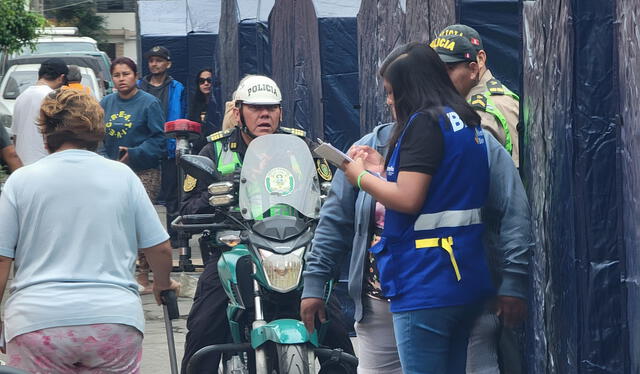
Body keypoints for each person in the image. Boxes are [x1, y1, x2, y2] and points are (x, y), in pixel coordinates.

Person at [303, 42, 508, 374]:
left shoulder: (422, 124)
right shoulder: (463, 123)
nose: (388, 101)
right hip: (462, 279)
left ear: (412, 87)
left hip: (424, 281)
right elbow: (437, 186)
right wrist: (382, 169)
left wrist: (359, 177)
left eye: (391, 92)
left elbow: (409, 199)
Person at [180, 75, 349, 373]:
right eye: (256, 108)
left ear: (281, 112)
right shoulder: (216, 151)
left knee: (335, 328)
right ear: (239, 111)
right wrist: (218, 191)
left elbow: (331, 192)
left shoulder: (301, 146)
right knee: (203, 327)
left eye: (271, 108)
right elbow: (188, 206)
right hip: (235, 251)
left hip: (296, 248)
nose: (264, 115)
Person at [0, 89, 177, 373]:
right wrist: (162, 283)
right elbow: (159, 248)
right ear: (97, 132)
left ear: (45, 131)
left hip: (37, 321)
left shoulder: (20, 182)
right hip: (112, 321)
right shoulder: (122, 177)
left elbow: (2, 257)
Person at [432, 32, 527, 374]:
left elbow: (490, 186)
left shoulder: (487, 108)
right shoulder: (464, 104)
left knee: (498, 352)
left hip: (494, 248)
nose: (441, 79)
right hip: (485, 248)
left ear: (477, 64)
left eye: (450, 70)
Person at [100, 57, 167, 294]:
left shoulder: (149, 103)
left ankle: (143, 273)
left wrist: (135, 153)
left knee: (139, 221)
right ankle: (118, 272)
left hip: (144, 171)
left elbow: (159, 140)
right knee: (114, 221)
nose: (121, 79)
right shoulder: (105, 103)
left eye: (126, 74)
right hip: (112, 172)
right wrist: (102, 161)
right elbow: (97, 137)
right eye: (117, 75)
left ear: (136, 76)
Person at [434, 24, 521, 167]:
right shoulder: (502, 94)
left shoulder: (477, 113)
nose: (440, 77)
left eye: (449, 68)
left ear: (479, 60)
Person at [138, 45, 187, 249]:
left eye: (159, 60)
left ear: (168, 63)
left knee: (172, 195)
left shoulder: (177, 88)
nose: (154, 64)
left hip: (168, 145)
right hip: (145, 146)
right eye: (151, 60)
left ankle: (174, 238)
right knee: (142, 195)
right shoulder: (140, 86)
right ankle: (143, 238)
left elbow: (182, 115)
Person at [10, 58, 68, 165]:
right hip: (45, 162)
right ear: (61, 78)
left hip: (23, 164)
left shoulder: (21, 97)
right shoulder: (53, 97)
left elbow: (15, 137)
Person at [187, 68, 218, 154]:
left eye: (209, 80)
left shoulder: (220, 103)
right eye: (202, 81)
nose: (206, 83)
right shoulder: (195, 105)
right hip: (199, 149)